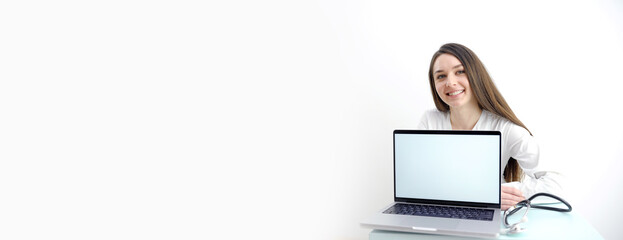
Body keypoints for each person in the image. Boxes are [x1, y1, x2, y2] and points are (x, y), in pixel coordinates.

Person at [418, 43, 563, 210]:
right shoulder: (429, 121)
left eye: (460, 71)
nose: (450, 82)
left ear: (476, 75)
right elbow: (420, 182)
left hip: (489, 213)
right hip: (440, 212)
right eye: (441, 76)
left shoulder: (506, 129)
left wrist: (494, 194)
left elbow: (557, 185)